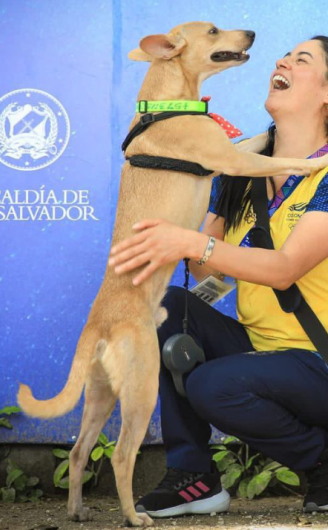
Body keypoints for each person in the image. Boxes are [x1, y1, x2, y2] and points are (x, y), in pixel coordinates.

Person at [107, 36, 328, 517]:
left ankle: (321, 461)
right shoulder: (245, 170)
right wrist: (201, 168)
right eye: (284, 54)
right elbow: (208, 270)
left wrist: (192, 243)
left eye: (301, 58)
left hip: (318, 362)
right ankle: (194, 476)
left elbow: (286, 270)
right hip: (261, 348)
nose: (282, 60)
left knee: (213, 384)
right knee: (166, 308)